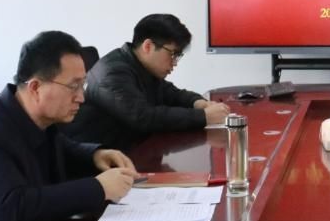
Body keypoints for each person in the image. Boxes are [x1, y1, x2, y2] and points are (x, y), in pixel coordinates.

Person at [0, 31, 137, 221]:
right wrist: (98, 188)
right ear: (35, 87)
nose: (81, 97)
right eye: (73, 86)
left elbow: (64, 149)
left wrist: (96, 155)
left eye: (82, 85)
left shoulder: (35, 117)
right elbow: (14, 210)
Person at [66, 14, 230, 149]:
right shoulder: (112, 73)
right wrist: (204, 117)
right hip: (103, 161)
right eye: (173, 54)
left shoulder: (142, 66)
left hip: (135, 151)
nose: (174, 63)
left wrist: (199, 103)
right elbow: (143, 117)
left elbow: (171, 93)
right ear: (148, 46)